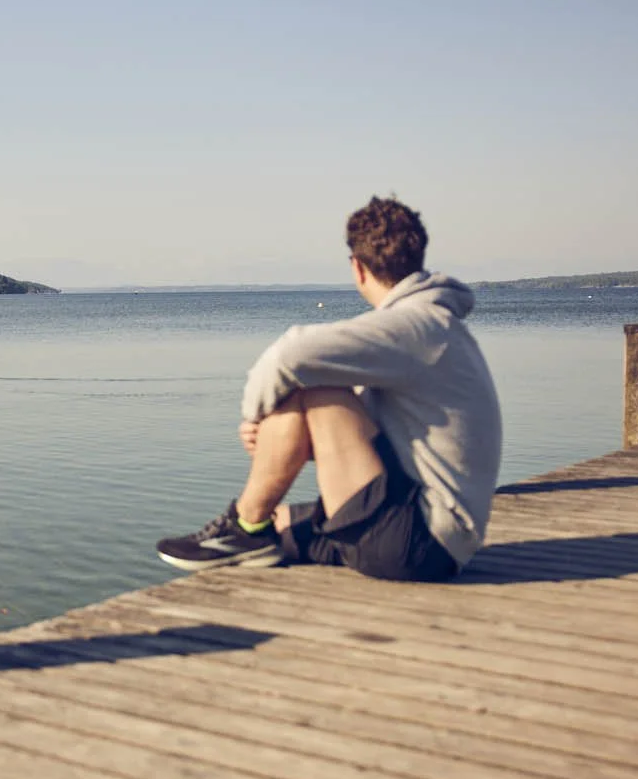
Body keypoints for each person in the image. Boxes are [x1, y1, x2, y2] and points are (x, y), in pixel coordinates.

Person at [156, 196, 502, 581]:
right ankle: (253, 531)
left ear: (357, 267)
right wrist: (282, 439)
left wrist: (254, 418)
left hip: (420, 541)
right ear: (418, 255)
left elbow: (289, 354)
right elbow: (367, 435)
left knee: (314, 391)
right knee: (279, 524)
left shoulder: (416, 327)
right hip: (424, 529)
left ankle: (242, 526)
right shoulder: (433, 328)